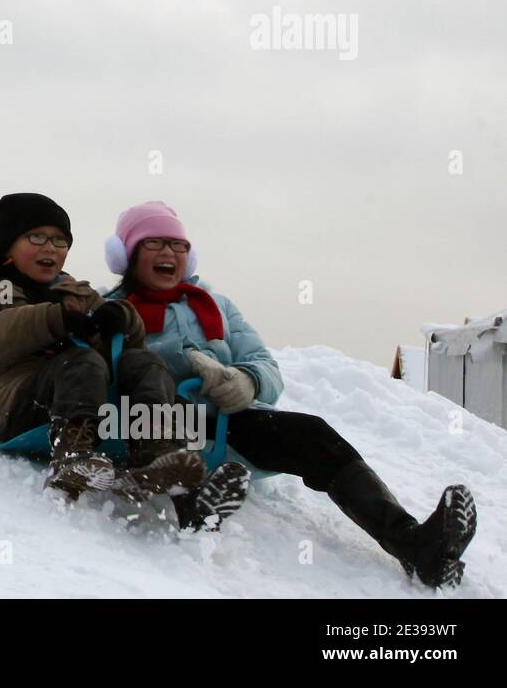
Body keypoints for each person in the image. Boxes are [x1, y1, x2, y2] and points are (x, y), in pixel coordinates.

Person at [102, 200, 477, 586]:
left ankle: (415, 546)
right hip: (160, 425)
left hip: (230, 421)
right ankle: (191, 503)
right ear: (126, 255)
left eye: (177, 245)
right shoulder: (111, 308)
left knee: (313, 436)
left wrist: (246, 381)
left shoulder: (215, 305)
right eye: (154, 243)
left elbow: (263, 362)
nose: (168, 253)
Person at [0, 193, 247, 527]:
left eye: (60, 240)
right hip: (13, 401)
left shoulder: (75, 291)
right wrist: (54, 319)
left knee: (145, 365)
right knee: (80, 361)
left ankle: (159, 457)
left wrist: (121, 317)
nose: (50, 248)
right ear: (8, 245)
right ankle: (72, 454)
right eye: (36, 237)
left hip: (80, 395)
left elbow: (129, 348)